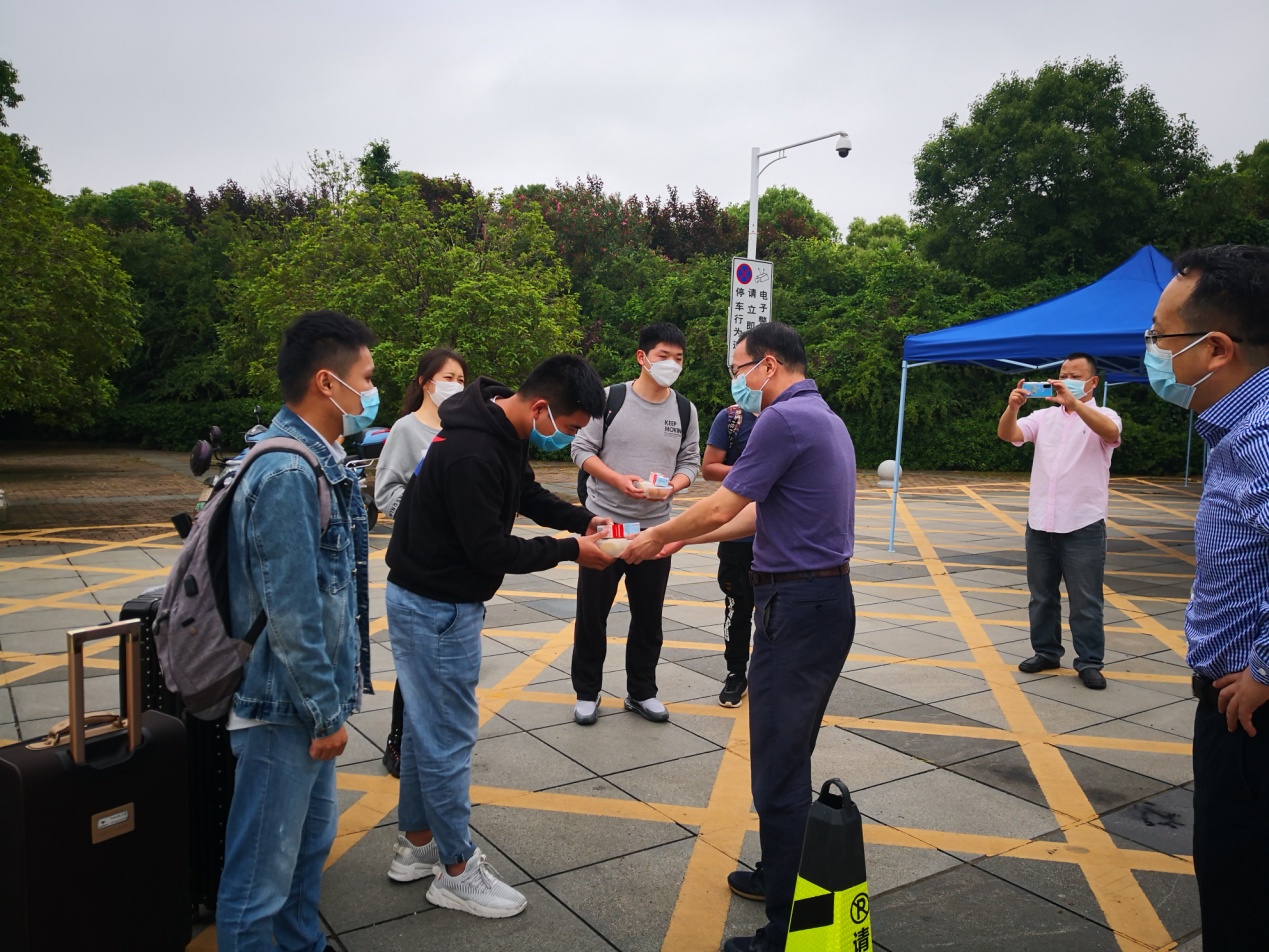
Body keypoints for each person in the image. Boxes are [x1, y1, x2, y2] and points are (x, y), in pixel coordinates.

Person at [623, 322, 855, 952]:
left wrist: (655, 535)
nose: (736, 381)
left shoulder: (782, 419)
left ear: (768, 365)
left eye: (738, 368)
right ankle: (779, 873)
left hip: (797, 608)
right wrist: (682, 540)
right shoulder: (823, 417)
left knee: (778, 768)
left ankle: (786, 930)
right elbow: (755, 512)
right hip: (821, 603)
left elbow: (724, 502)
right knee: (788, 754)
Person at [384, 355, 614, 918]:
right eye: (568, 426)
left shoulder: (497, 424)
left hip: (428, 596)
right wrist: (572, 550)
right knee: (447, 737)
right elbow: (489, 549)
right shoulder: (473, 451)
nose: (568, 438)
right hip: (437, 605)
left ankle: (417, 844)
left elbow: (526, 494)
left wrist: (580, 520)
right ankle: (456, 870)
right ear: (542, 408)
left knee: (424, 730)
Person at [217, 310, 376, 950]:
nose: (372, 392)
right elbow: (292, 615)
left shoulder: (319, 459)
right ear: (326, 383)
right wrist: (323, 714)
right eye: (367, 378)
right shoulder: (286, 474)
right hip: (282, 708)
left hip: (306, 704)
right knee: (260, 880)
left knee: (308, 853)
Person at [1144, 244, 1269, 951]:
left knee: (1241, 893)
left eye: (1161, 336)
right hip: (1236, 702)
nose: (1152, 351)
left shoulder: (1260, 435)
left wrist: (1263, 671)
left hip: (1249, 714)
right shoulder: (1237, 430)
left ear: (1216, 348)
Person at [569, 322, 700, 726]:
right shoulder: (611, 399)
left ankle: (642, 691)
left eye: (678, 358)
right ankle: (587, 692)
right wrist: (617, 479)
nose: (672, 364)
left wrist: (673, 487)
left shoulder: (684, 409)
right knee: (593, 613)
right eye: (664, 356)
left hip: (655, 530)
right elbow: (581, 449)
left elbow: (690, 462)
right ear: (642, 357)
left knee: (648, 616)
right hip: (606, 526)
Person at [997, 354, 1122, 690]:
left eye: (1075, 376)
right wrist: (1013, 407)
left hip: (1083, 524)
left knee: (1085, 599)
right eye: (1062, 374)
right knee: (1041, 596)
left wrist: (1075, 404)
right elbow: (1008, 434)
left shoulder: (1105, 415)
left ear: (1093, 382)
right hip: (1041, 522)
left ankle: (1089, 661)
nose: (1065, 380)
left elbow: (1110, 432)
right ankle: (1046, 651)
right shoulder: (1044, 417)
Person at [374, 347, 469, 778]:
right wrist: (426, 513)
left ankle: (437, 743)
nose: (455, 385)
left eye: (461, 379)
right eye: (448, 377)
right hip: (419, 559)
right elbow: (386, 492)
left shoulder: (462, 429)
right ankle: (399, 740)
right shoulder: (406, 429)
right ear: (425, 382)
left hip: (458, 562)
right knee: (416, 664)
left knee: (446, 665)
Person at [702, 403, 758, 707]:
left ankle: (772, 673)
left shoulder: (791, 416)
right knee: (738, 609)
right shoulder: (733, 418)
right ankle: (736, 672)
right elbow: (709, 467)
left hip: (780, 539)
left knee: (778, 612)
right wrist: (756, 473)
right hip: (737, 536)